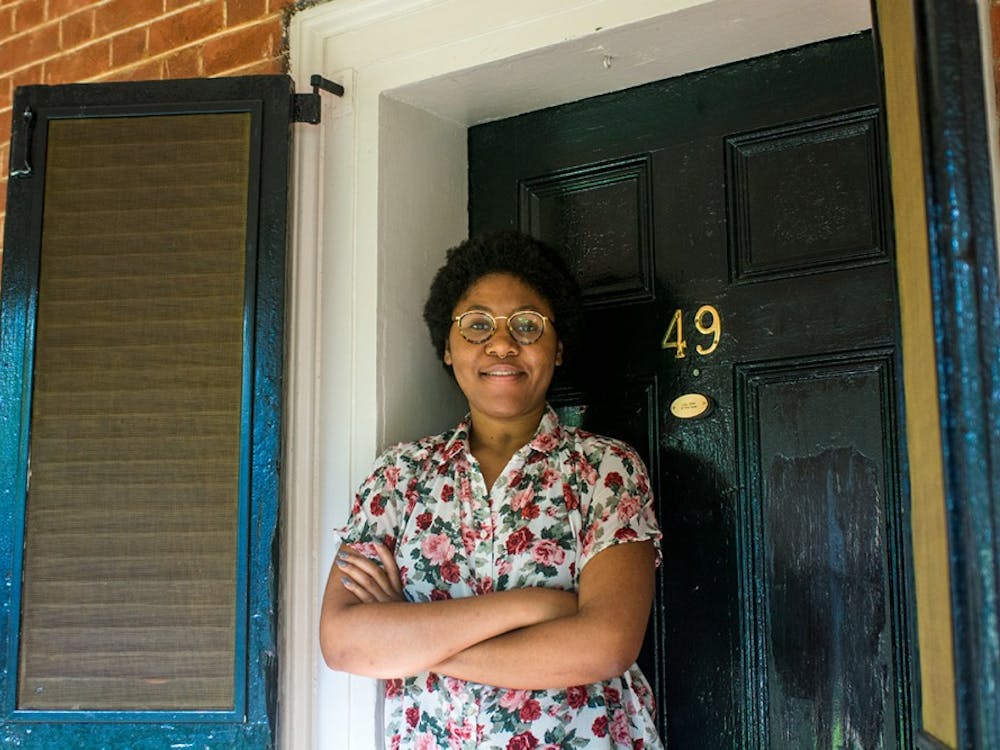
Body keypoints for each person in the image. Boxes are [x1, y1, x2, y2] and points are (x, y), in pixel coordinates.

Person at [320, 230, 664, 749]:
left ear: (558, 346)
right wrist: (536, 606)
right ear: (447, 347)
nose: (502, 344)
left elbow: (606, 645)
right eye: (477, 325)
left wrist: (410, 639)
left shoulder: (604, 469)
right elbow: (344, 643)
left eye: (527, 325)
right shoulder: (399, 475)